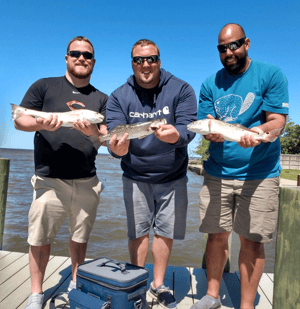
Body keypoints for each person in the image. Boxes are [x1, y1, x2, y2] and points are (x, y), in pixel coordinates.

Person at [191, 23, 289, 309]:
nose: (228, 51)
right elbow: (207, 121)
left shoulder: (270, 74)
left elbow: (278, 121)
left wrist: (258, 134)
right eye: (222, 48)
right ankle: (211, 295)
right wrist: (209, 132)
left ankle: (246, 305)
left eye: (233, 45)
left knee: (252, 241)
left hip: (260, 174)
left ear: (246, 43)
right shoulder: (210, 83)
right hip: (217, 172)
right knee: (216, 236)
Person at [14, 36, 108, 309]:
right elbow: (20, 119)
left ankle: (76, 284)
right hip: (48, 179)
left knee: (80, 238)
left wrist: (94, 133)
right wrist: (43, 124)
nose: (81, 58)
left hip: (87, 180)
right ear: (66, 57)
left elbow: (105, 135)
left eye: (87, 55)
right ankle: (36, 293)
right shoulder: (44, 86)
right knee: (39, 238)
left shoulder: (102, 98)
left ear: (93, 61)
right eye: (75, 53)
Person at [106, 39, 197, 309]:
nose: (145, 65)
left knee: (165, 232)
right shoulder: (119, 96)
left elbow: (188, 127)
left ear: (159, 60)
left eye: (151, 59)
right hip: (135, 175)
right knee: (137, 232)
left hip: (173, 176)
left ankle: (159, 284)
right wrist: (117, 149)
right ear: (132, 62)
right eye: (139, 60)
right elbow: (114, 137)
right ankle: (137, 283)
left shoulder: (181, 88)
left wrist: (176, 135)